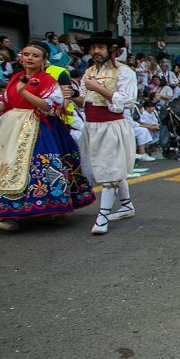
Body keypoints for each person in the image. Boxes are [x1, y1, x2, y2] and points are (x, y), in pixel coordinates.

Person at [0, 42, 94, 230]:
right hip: (12, 129)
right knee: (9, 167)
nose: (29, 58)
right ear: (21, 57)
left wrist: (24, 92)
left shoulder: (48, 81)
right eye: (26, 54)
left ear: (44, 60)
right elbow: (3, 107)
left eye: (35, 55)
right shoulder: (15, 79)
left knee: (37, 167)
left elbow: (49, 106)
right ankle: (11, 214)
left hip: (40, 127)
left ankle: (48, 208)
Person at [74, 31, 138, 234]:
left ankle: (102, 217)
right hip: (92, 126)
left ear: (111, 49)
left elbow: (128, 100)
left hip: (111, 126)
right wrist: (71, 95)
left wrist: (99, 88)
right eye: (93, 48)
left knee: (109, 170)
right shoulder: (90, 71)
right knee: (107, 168)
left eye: (100, 47)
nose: (95, 51)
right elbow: (84, 99)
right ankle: (126, 205)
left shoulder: (124, 71)